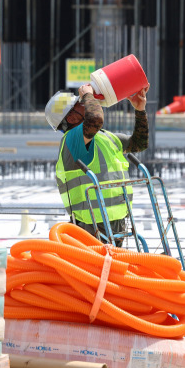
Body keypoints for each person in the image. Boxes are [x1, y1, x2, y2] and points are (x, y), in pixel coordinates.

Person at [46, 83, 150, 246]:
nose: (85, 104)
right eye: (79, 104)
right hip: (92, 227)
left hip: (116, 221)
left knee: (113, 269)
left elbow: (139, 143)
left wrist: (139, 109)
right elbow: (95, 119)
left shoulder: (105, 137)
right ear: (71, 118)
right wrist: (88, 95)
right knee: (98, 269)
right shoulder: (73, 138)